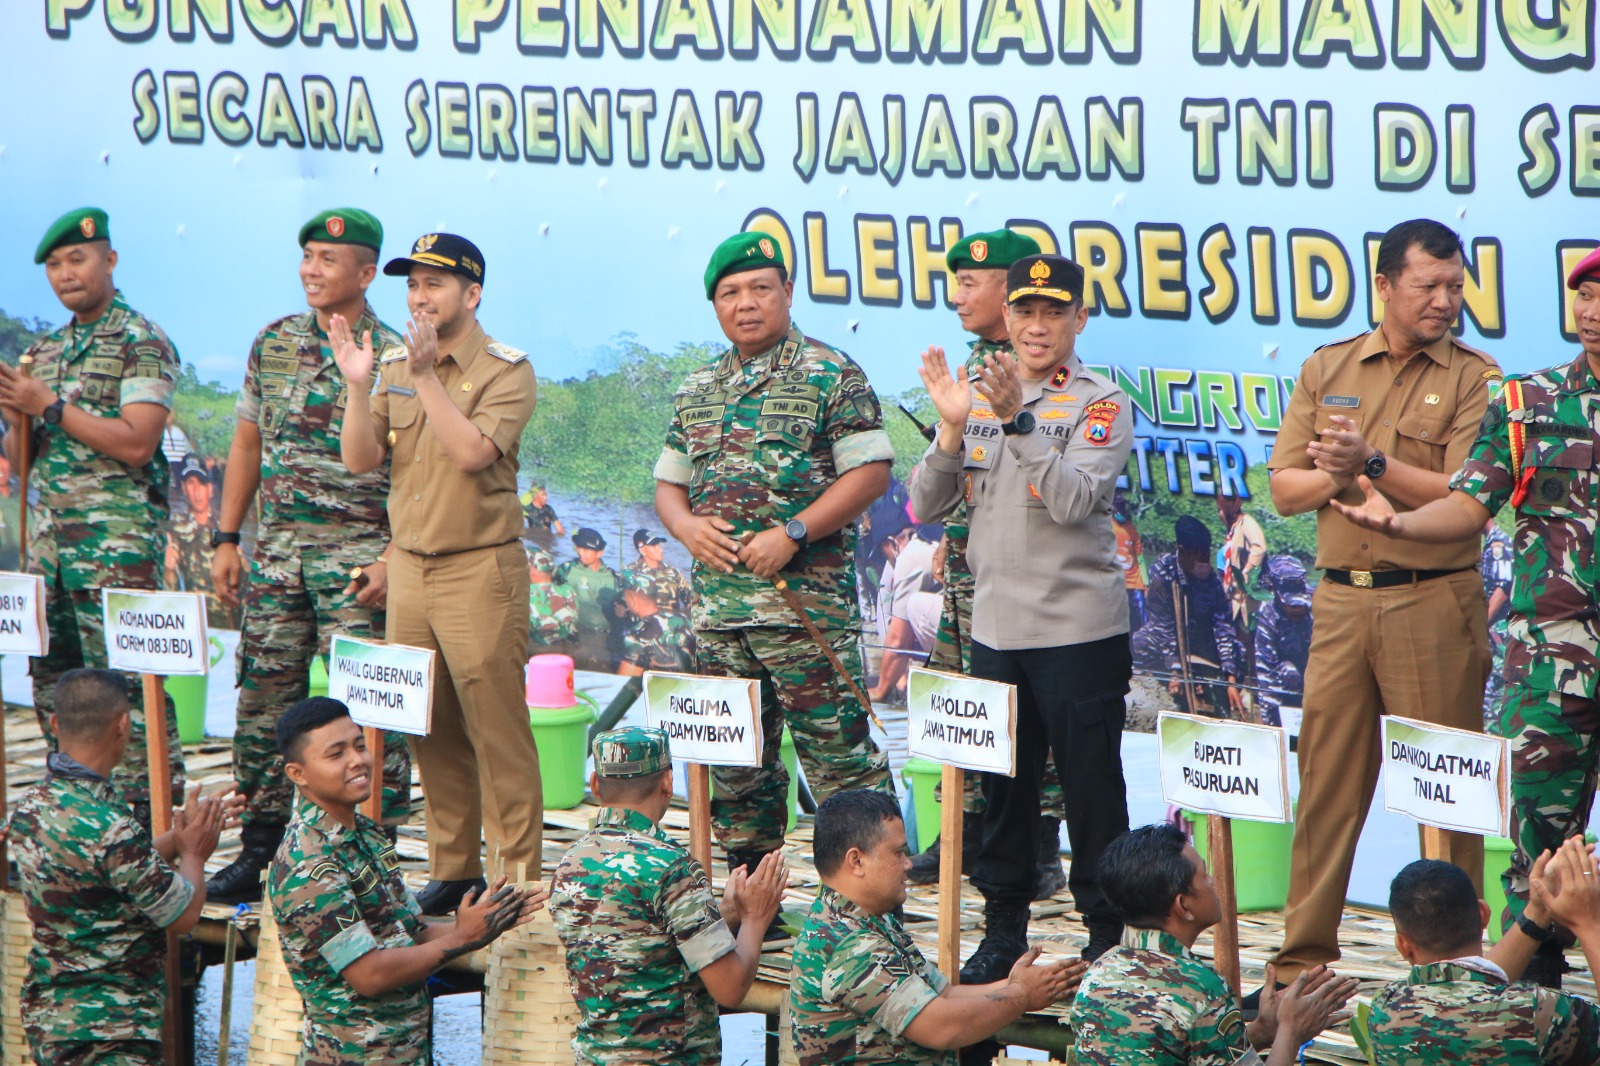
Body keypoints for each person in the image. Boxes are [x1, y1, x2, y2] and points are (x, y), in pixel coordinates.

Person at [1329, 244, 1600, 987]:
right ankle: (1535, 996)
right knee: (1539, 846)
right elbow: (1468, 502)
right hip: (1553, 662)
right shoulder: (1530, 402)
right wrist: (1397, 528)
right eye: (1586, 296)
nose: (1594, 313)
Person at [1266, 218, 1500, 989]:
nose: (1444, 300)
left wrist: (1368, 462)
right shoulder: (1328, 366)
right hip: (1340, 606)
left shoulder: (1475, 376)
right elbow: (1285, 489)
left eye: (1454, 286)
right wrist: (1340, 476)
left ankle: (1456, 970)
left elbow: (1466, 492)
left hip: (1431, 604)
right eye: (1428, 285)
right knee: (1326, 791)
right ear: (1385, 284)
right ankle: (1301, 968)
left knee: (1448, 793)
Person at [909, 253, 1135, 972]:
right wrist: (951, 431)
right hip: (996, 631)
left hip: (1076, 632)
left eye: (1054, 313)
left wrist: (1017, 421)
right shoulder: (976, 394)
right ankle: (1002, 930)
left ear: (1080, 320)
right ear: (1006, 318)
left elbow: (1071, 502)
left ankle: (1106, 938)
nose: (1037, 327)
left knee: (1090, 791)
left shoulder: (1101, 401)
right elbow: (925, 504)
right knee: (1002, 794)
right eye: (1026, 312)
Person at [653, 231, 894, 881]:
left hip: (802, 612)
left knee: (839, 762)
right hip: (719, 614)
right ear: (715, 306)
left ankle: (865, 898)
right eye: (730, 293)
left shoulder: (828, 372)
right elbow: (668, 484)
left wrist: (793, 532)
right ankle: (751, 898)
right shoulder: (698, 387)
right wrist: (684, 527)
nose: (746, 303)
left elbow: (870, 472)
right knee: (738, 768)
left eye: (761, 288)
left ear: (787, 293)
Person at [204, 208, 411, 907]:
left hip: (358, 562)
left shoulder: (394, 351)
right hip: (279, 558)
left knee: (370, 714)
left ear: (365, 272)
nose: (311, 270)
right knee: (263, 701)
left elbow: (418, 469)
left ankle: (373, 855)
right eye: (306, 257)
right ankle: (261, 850)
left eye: (327, 259)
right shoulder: (275, 342)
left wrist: (394, 556)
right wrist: (227, 537)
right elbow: (246, 443)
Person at [337, 231, 542, 915]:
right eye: (412, 285)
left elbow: (472, 454)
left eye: (433, 285)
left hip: (480, 569)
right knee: (429, 725)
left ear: (471, 294)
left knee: (496, 727)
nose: (419, 298)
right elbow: (362, 460)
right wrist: (359, 385)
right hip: (412, 571)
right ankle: (455, 867)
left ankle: (513, 872)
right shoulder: (394, 364)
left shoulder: (506, 369)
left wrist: (427, 376)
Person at [0, 206, 185, 823]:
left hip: (117, 554)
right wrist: (19, 416)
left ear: (109, 259)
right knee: (57, 690)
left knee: (128, 690)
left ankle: (148, 825)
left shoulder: (141, 341)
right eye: (53, 266)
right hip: (49, 554)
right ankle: (73, 821)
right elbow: (22, 460)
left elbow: (137, 442)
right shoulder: (44, 352)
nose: (64, 274)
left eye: (76, 259)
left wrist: (47, 405)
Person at [907, 228, 1070, 901]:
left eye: (974, 282)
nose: (959, 296)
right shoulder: (973, 363)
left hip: (1034, 570)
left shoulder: (1047, 370)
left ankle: (1037, 842)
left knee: (1034, 706)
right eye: (956, 282)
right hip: (973, 568)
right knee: (966, 694)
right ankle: (967, 830)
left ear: (1013, 288)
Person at [270, 697, 546, 1065]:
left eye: (358, 745)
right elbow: (369, 974)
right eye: (336, 754)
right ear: (297, 774)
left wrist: (487, 919)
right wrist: (464, 938)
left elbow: (407, 930)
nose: (358, 760)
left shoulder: (366, 833)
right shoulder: (307, 863)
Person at [10, 668, 234, 1065]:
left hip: (53, 1017)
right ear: (124, 725)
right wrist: (196, 852)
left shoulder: (32, 806)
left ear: (55, 722)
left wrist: (179, 839)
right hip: (110, 1028)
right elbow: (183, 915)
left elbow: (110, 866)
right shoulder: (112, 826)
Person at [789, 789, 1083, 1066]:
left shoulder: (870, 919)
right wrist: (1021, 997)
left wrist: (1028, 983)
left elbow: (943, 995)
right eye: (898, 853)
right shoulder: (850, 944)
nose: (908, 864)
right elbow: (941, 1027)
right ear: (856, 860)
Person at [549, 727, 789, 1064]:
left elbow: (640, 943)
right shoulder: (673, 869)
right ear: (667, 783)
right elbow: (731, 988)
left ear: (595, 784)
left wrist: (724, 914)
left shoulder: (569, 863)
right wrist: (755, 917)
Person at [1071, 823, 1359, 1066]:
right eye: (1204, 875)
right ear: (1184, 906)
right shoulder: (1202, 989)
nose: (1213, 883)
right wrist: (1291, 1030)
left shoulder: (1098, 972)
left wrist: (1260, 1031)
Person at [1368, 841, 1600, 1063]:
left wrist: (1537, 911)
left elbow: (1480, 984)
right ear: (1483, 914)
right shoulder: (1539, 1012)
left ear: (1402, 945)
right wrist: (1587, 924)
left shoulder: (1384, 1011)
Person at [1134, 516, 1247, 718]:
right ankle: (1159, 687)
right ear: (1183, 551)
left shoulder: (1212, 581)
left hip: (1202, 640)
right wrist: (1175, 671)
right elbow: (1163, 627)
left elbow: (1223, 627)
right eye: (1198, 556)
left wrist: (1230, 677)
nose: (1204, 562)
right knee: (1139, 642)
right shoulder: (1163, 573)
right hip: (1171, 640)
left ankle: (1223, 693)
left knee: (1239, 650)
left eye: (1206, 556)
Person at [164, 453, 236, 629]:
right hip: (192, 622)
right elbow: (170, 591)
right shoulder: (174, 530)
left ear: (210, 489)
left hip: (225, 624)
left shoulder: (226, 530)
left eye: (202, 484)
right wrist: (168, 570)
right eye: (190, 483)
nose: (197, 491)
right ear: (183, 487)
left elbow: (240, 586)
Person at [868, 525, 936, 704]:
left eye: (883, 551)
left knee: (913, 607)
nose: (886, 560)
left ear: (891, 542)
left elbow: (898, 639)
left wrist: (880, 691)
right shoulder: (928, 541)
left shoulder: (910, 556)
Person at [1252, 556, 1314, 729]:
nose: (1298, 609)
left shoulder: (1318, 604)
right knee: (1289, 671)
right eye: (1292, 605)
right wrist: (1270, 723)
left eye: (1301, 605)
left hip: (1315, 676)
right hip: (1286, 683)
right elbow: (1266, 671)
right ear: (1278, 597)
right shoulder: (1269, 615)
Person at [555, 526, 623, 671]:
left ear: (599, 553)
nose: (581, 552)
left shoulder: (613, 577)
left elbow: (624, 607)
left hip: (603, 636)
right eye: (579, 548)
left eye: (586, 549)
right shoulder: (567, 569)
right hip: (576, 632)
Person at [1216, 489, 1266, 665]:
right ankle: (1242, 679)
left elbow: (1259, 548)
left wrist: (1246, 573)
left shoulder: (1247, 523)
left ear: (1231, 506)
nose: (1220, 514)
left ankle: (1252, 682)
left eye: (1221, 509)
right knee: (1237, 640)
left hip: (1247, 598)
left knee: (1250, 641)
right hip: (1233, 597)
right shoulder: (1233, 528)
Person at [617, 568, 695, 675]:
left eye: (624, 597)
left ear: (632, 600)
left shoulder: (637, 636)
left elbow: (624, 683)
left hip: (661, 689)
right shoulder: (683, 619)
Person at [1481, 519, 1513, 729]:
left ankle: (1495, 736)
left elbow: (1503, 586)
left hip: (1498, 629)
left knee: (1495, 688)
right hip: (1493, 629)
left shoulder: (1498, 543)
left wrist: (1482, 621)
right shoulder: (1489, 543)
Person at [627, 527, 691, 613]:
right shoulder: (631, 574)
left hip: (673, 623)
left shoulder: (673, 572)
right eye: (654, 546)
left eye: (659, 545)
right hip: (646, 624)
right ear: (642, 550)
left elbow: (691, 601)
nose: (660, 550)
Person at [529, 546, 579, 651]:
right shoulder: (569, 591)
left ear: (530, 569)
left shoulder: (525, 595)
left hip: (538, 651)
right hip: (566, 650)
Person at [1113, 491, 1147, 632]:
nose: (1121, 509)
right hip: (1116, 583)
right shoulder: (1106, 525)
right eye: (1118, 506)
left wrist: (1146, 584)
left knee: (1142, 620)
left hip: (1135, 583)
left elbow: (1140, 557)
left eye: (1123, 506)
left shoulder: (1131, 528)